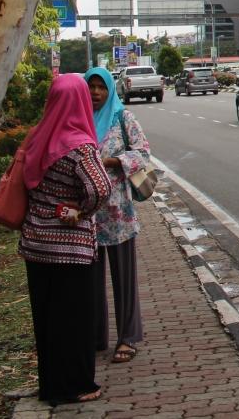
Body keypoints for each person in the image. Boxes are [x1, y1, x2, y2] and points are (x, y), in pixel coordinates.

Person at [19, 74, 112, 406]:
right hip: (69, 248)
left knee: (47, 319)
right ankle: (75, 385)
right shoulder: (80, 145)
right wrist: (83, 211)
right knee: (74, 320)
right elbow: (100, 189)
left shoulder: (37, 137)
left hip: (35, 244)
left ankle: (51, 385)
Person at [84, 66, 150, 364]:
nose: (96, 92)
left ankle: (127, 337)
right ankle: (96, 336)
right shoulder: (79, 119)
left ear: (110, 89)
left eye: (101, 87)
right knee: (90, 281)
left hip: (118, 213)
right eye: (91, 87)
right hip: (87, 214)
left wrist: (113, 161)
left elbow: (143, 153)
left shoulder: (123, 118)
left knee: (123, 278)